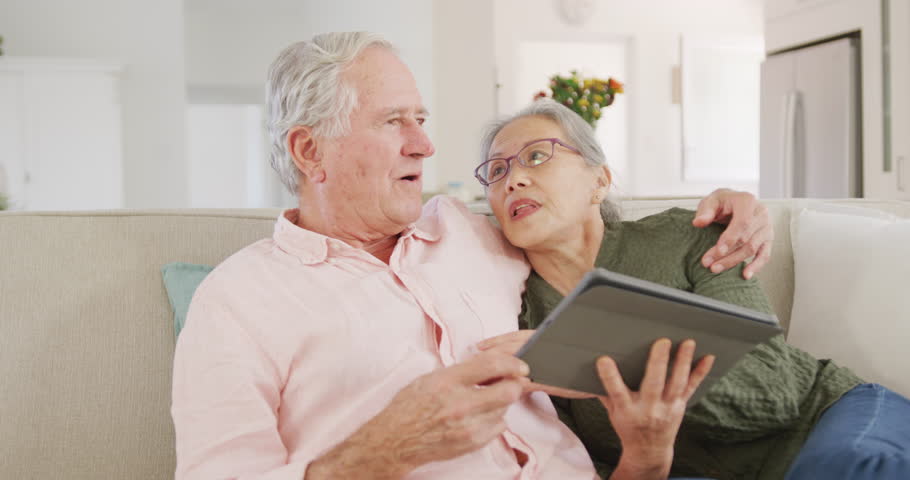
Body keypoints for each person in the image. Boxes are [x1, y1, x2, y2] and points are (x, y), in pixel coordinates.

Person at [171, 32, 774, 480]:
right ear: (309, 150)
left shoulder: (471, 233)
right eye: (394, 122)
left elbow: (577, 213)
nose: (425, 144)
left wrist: (734, 206)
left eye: (422, 119)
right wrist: (383, 449)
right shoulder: (238, 300)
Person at [475, 98, 910, 480]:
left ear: (600, 181)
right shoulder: (518, 322)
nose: (513, 179)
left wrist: (597, 353)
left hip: (825, 418)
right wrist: (647, 456)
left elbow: (773, 393)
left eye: (536, 156)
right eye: (496, 170)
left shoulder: (685, 235)